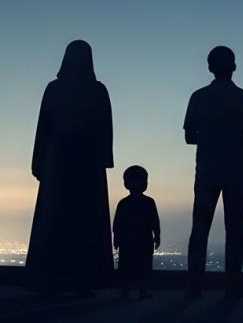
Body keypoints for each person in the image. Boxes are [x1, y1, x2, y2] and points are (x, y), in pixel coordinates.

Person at [26, 40, 114, 292]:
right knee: (85, 218)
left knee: (56, 216)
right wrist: (104, 159)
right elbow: (105, 129)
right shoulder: (98, 90)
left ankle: (49, 275)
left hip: (60, 160)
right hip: (87, 161)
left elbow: (43, 129)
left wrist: (38, 161)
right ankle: (86, 275)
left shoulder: (54, 89)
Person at [184, 46, 243, 299]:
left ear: (209, 67)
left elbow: (188, 136)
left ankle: (195, 286)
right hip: (237, 168)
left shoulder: (198, 97)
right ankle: (233, 285)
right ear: (234, 67)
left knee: (200, 228)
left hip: (206, 168)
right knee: (235, 229)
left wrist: (210, 137)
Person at [113, 165, 160, 300]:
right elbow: (154, 221)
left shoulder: (123, 203)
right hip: (144, 239)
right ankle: (142, 291)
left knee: (126, 266)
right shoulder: (149, 202)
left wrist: (116, 238)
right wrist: (157, 235)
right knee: (144, 266)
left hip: (128, 241)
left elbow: (117, 224)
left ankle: (126, 291)